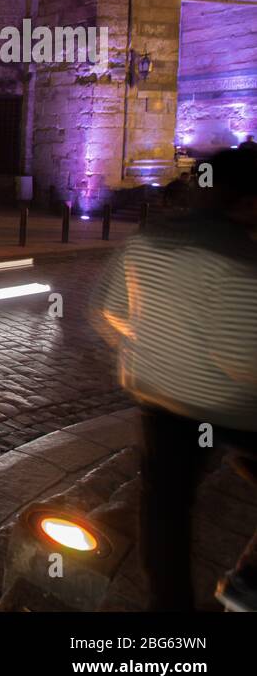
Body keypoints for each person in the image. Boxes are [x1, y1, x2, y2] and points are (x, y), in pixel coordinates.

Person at [91, 146, 257, 611]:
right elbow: (241, 356)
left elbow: (108, 310)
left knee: (166, 510)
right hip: (229, 405)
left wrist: (155, 342)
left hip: (159, 395)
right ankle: (249, 581)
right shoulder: (241, 258)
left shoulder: (149, 241)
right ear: (245, 201)